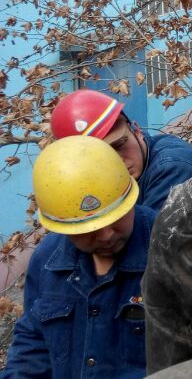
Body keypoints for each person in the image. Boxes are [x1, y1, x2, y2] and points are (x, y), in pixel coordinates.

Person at [2, 135, 156, 378]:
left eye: (115, 217)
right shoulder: (47, 261)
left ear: (129, 198)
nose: (106, 235)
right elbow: (33, 347)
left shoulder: (173, 244)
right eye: (89, 230)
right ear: (61, 228)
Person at [50, 89, 192, 211]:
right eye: (100, 158)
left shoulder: (173, 168)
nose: (116, 162)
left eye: (119, 145)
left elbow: (155, 248)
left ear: (137, 130)